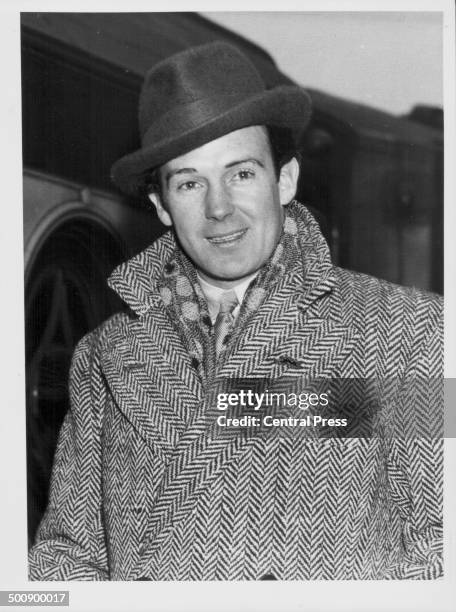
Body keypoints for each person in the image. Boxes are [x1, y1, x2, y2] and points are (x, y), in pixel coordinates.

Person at [28, 41, 443, 581]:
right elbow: (65, 558)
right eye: (190, 182)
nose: (218, 207)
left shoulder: (409, 333)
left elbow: (442, 549)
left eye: (241, 173)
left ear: (284, 180)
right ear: (160, 205)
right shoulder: (104, 357)